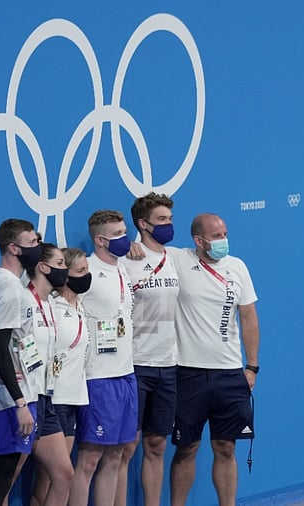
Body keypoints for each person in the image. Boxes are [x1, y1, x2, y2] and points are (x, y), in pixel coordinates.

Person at [169, 213, 260, 506]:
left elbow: (248, 316)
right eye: (217, 236)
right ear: (199, 241)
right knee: (186, 448)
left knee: (226, 447)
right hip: (189, 373)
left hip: (230, 373)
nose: (224, 241)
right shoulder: (179, 260)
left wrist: (251, 366)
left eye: (225, 234)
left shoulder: (238, 267)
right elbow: (146, 252)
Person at [69, 210, 138, 506]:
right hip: (97, 376)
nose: (126, 238)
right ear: (100, 240)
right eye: (118, 234)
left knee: (117, 454)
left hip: (125, 372)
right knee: (90, 458)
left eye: (126, 231)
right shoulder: (87, 271)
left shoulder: (123, 268)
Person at [0, 219, 43, 506]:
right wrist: (20, 403)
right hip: (10, 401)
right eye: (33, 243)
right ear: (13, 248)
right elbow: (0, 347)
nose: (38, 248)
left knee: (2, 478)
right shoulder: (9, 289)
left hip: (6, 394)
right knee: (1, 479)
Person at [117, 193, 180, 506]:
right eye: (161, 220)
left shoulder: (180, 258)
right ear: (142, 224)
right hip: (135, 364)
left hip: (169, 365)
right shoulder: (125, 261)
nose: (168, 225)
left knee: (157, 445)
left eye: (169, 219)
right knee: (127, 447)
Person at [30, 247, 91, 506]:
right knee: (47, 478)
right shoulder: (51, 306)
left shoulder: (82, 307)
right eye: (79, 271)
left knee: (62, 476)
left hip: (74, 397)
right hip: (53, 397)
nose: (86, 275)